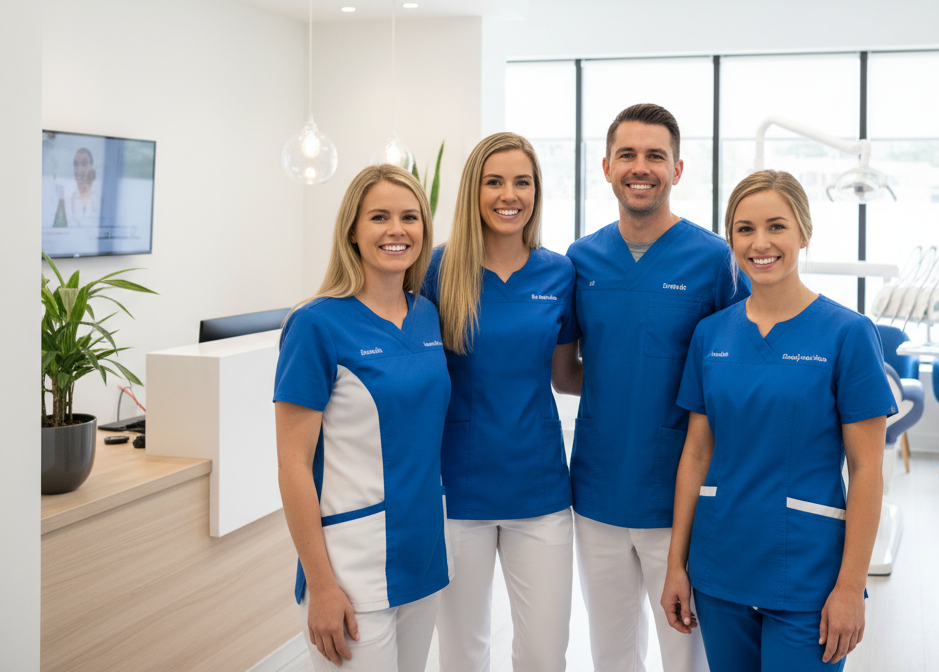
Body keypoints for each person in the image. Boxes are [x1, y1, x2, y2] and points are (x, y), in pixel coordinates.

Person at [660, 170, 897, 671]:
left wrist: (852, 586)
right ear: (731, 240)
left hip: (808, 573)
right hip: (720, 564)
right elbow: (698, 453)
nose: (760, 243)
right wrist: (676, 565)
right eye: (744, 229)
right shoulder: (710, 334)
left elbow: (868, 469)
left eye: (776, 226)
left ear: (803, 234)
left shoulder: (848, 334)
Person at [566, 103, 749, 671]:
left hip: (681, 494)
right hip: (597, 487)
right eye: (628, 154)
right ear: (605, 166)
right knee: (611, 649)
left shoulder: (715, 260)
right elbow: (566, 368)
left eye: (655, 156)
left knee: (685, 651)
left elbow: (737, 371)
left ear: (678, 169)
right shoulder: (582, 259)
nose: (640, 167)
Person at [274, 164, 451, 671]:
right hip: (352, 570)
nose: (397, 230)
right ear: (353, 229)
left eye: (409, 217)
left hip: (422, 555)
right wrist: (322, 584)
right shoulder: (315, 324)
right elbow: (292, 466)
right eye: (379, 217)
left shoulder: (426, 315)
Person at [423, 132, 582, 672]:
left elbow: (566, 376)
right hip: (456, 490)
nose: (508, 194)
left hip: (538, 490)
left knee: (544, 653)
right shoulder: (436, 271)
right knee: (463, 653)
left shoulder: (559, 274)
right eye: (494, 181)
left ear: (536, 191)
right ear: (473, 190)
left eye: (522, 182)